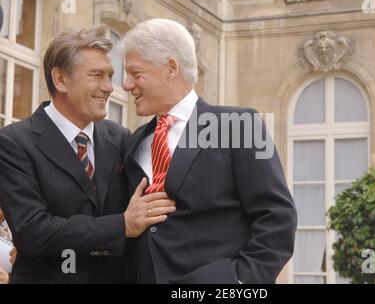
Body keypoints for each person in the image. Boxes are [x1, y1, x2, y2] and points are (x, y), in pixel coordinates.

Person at [121, 19, 297, 284]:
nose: (126, 84)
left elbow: (277, 218)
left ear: (170, 68)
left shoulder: (240, 125)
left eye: (136, 73)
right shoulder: (136, 142)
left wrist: (238, 282)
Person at [0, 26, 176, 283]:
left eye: (110, 76)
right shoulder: (14, 142)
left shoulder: (122, 138)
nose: (109, 87)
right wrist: (121, 226)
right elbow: (33, 231)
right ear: (60, 79)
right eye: (97, 75)